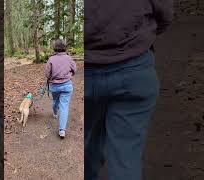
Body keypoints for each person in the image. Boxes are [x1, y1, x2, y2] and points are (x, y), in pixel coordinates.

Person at [84, 0, 173, 179]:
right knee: (125, 160)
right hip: (133, 69)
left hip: (85, 72)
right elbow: (165, 13)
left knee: (82, 148)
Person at [45, 39, 76, 138]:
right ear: (65, 47)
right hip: (67, 85)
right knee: (64, 106)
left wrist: (51, 78)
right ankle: (62, 130)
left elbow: (47, 74)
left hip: (54, 86)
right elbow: (74, 69)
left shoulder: (51, 59)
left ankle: (54, 112)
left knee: (55, 100)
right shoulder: (69, 58)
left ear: (55, 48)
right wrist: (70, 75)